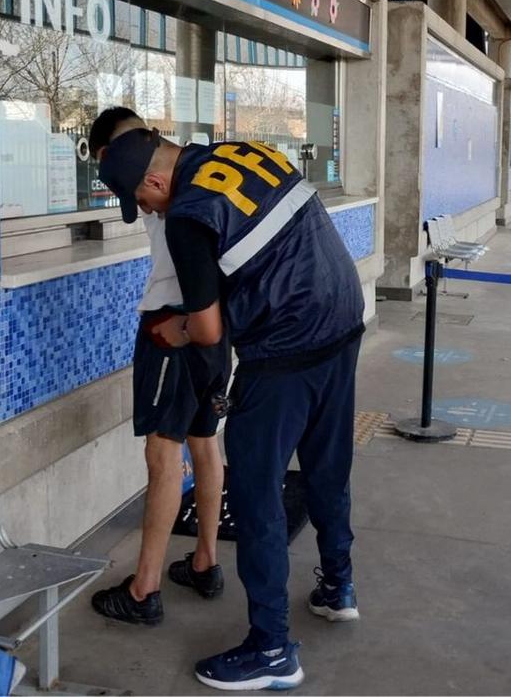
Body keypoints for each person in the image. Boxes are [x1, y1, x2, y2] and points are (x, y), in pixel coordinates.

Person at [96, 125, 365, 691]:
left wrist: (176, 326)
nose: (146, 209)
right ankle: (337, 586)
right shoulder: (249, 153)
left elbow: (208, 327)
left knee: (258, 495)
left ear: (154, 178)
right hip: (341, 318)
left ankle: (271, 648)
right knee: (326, 463)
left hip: (285, 347)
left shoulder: (190, 217)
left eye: (142, 200)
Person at [85, 108, 231, 627]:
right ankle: (205, 560)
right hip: (214, 326)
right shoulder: (198, 171)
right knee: (206, 440)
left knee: (163, 455)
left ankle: (144, 589)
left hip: (176, 328)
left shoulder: (165, 186)